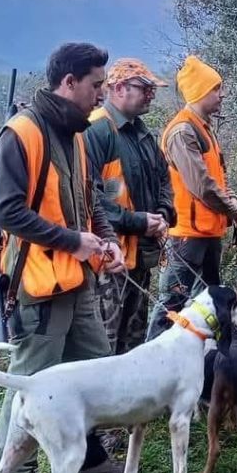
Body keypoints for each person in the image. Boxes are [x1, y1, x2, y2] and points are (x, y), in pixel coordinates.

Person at [0, 42, 128, 473]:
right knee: (30, 383)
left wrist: (106, 243)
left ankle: (86, 457)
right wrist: (73, 241)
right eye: (96, 85)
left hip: (76, 278)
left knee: (95, 366)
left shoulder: (77, 135)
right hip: (36, 284)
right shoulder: (21, 134)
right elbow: (4, 211)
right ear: (69, 83)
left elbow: (92, 201)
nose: (101, 94)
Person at [145, 56, 237, 340]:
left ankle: (202, 355)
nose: (222, 94)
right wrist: (236, 212)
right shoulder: (182, 131)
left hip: (207, 232)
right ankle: (151, 355)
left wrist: (234, 205)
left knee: (206, 301)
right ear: (199, 92)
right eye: (216, 89)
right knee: (172, 303)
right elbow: (202, 186)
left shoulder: (204, 128)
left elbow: (218, 179)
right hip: (186, 235)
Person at [84, 58, 173, 353]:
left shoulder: (141, 132)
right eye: (144, 88)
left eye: (152, 89)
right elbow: (90, 197)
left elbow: (164, 178)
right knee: (104, 347)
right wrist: (137, 221)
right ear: (119, 88)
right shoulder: (96, 130)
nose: (151, 94)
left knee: (132, 345)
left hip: (141, 256)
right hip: (109, 260)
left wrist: (163, 214)